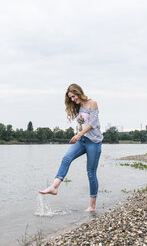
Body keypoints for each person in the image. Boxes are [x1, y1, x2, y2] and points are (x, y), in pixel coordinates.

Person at [39, 83, 103, 212]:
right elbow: (82, 123)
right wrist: (79, 134)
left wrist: (78, 135)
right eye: (71, 98)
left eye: (73, 96)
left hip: (94, 142)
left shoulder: (93, 103)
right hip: (82, 140)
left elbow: (92, 124)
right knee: (66, 158)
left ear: (79, 93)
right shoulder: (78, 106)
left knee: (91, 173)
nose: (73, 100)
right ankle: (54, 187)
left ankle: (92, 206)